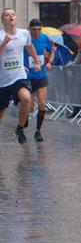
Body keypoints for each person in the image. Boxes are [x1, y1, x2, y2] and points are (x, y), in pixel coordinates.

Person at [0, 8, 41, 144]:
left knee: (26, 98)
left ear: (16, 19)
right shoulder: (0, 36)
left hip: (19, 76)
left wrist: (36, 62)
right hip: (3, 80)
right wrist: (4, 43)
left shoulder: (24, 33)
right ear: (2, 21)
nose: (11, 16)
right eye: (7, 15)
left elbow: (30, 47)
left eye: (13, 14)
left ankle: (20, 129)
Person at [23, 18, 53, 142]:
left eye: (39, 29)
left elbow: (51, 51)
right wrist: (22, 66)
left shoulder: (45, 38)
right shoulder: (25, 40)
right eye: (34, 29)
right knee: (30, 108)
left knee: (42, 103)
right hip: (28, 77)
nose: (37, 32)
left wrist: (50, 62)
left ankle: (38, 131)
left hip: (41, 75)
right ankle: (24, 118)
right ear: (29, 29)